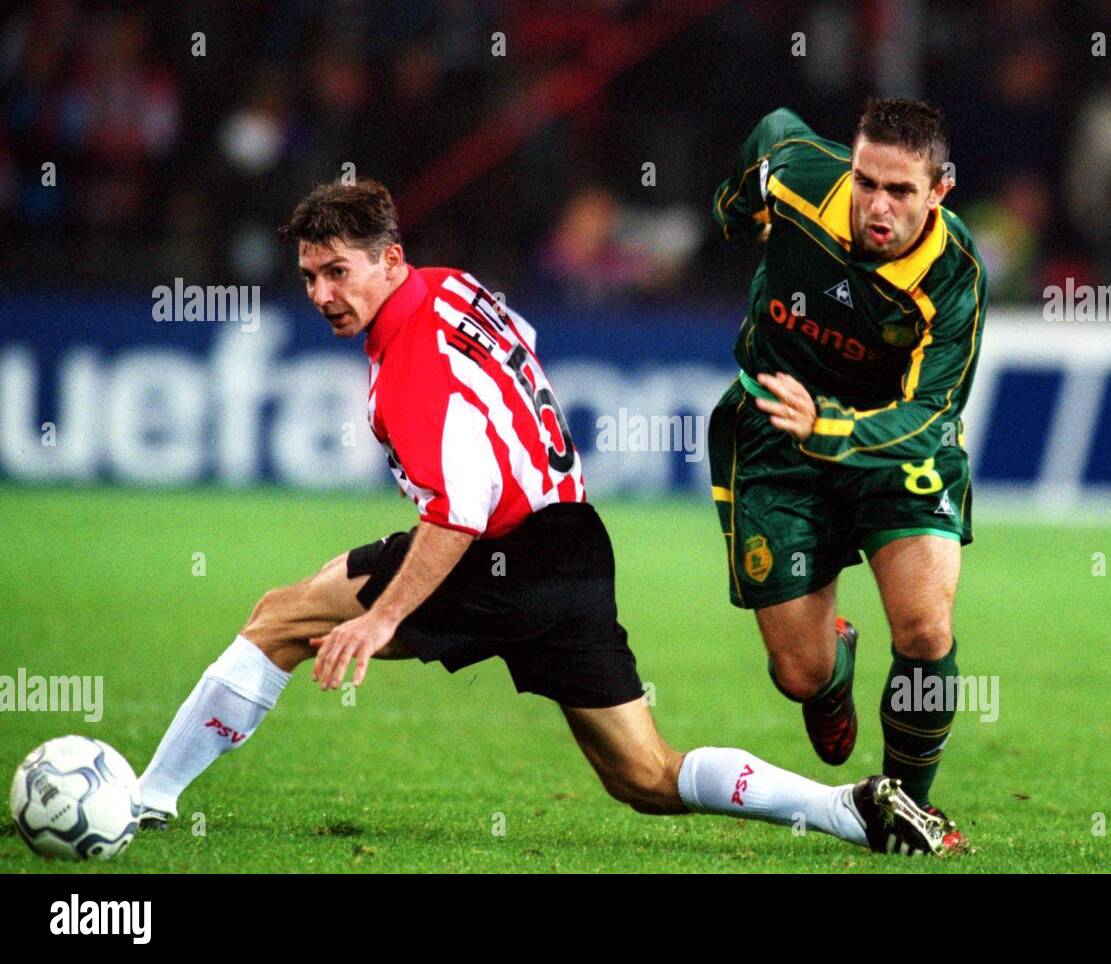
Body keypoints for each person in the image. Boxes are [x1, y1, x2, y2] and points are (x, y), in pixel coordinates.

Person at [135, 178, 948, 857]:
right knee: (644, 777)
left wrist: (385, 618)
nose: (321, 295)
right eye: (309, 276)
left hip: (500, 556)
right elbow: (518, 349)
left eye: (337, 273)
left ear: (389, 260)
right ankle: (851, 809)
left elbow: (459, 513)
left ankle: (145, 801)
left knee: (279, 618)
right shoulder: (451, 287)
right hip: (574, 550)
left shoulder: (414, 362)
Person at [708, 100, 989, 851]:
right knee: (798, 676)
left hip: (894, 450)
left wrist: (833, 426)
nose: (877, 204)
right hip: (774, 434)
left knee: (928, 628)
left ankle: (904, 802)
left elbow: (931, 415)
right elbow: (769, 128)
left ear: (939, 192)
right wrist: (735, 211)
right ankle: (831, 666)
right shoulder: (802, 178)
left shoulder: (955, 276)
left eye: (901, 191)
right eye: (867, 182)